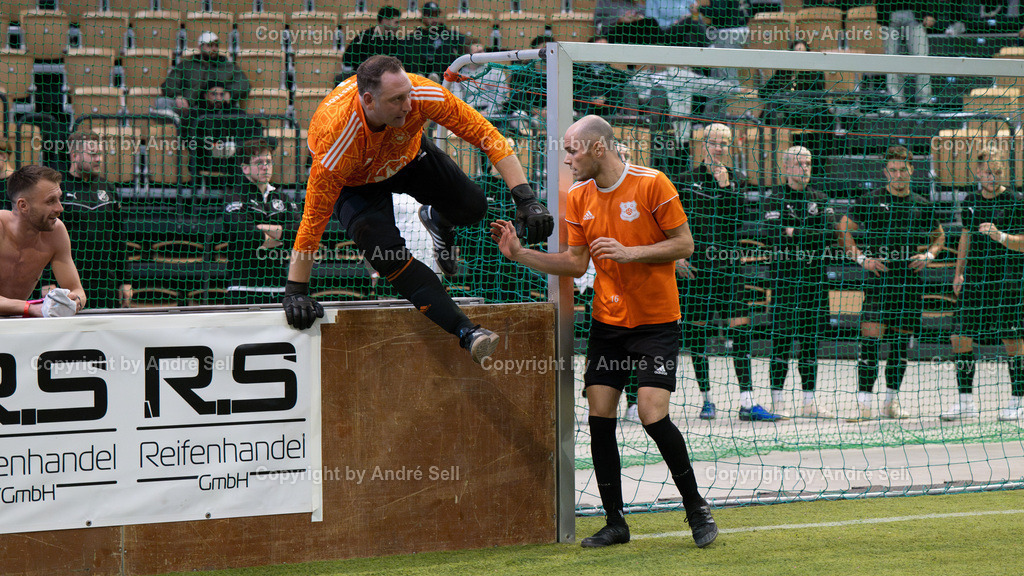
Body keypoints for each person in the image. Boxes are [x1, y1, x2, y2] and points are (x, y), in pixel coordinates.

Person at [489, 114, 717, 549]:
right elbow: (576, 264)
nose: (568, 158)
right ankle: (616, 523)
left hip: (656, 322)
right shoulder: (577, 197)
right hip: (608, 324)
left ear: (598, 148)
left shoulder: (653, 183)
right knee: (599, 420)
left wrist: (632, 253)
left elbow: (684, 244)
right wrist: (521, 254)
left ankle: (696, 508)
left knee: (652, 414)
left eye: (572, 150)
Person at [281, 55, 553, 365]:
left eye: (408, 93)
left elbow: (487, 135)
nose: (409, 105)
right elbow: (312, 221)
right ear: (369, 100)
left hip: (406, 157)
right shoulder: (336, 138)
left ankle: (437, 220)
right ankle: (467, 332)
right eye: (397, 99)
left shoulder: (421, 94)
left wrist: (526, 197)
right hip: (355, 184)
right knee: (388, 257)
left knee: (474, 207)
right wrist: (296, 289)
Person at [678, 123, 782, 422]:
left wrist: (725, 187)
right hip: (695, 268)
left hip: (728, 267)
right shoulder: (685, 180)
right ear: (703, 145)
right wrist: (677, 258)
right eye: (713, 142)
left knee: (740, 328)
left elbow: (736, 221)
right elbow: (670, 220)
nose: (719, 148)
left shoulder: (738, 179)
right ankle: (706, 399)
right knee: (698, 332)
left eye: (724, 143)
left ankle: (747, 402)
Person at [838, 146, 944, 421]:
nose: (898, 175)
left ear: (912, 170)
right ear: (886, 172)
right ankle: (863, 406)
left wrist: (929, 255)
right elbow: (844, 229)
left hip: (909, 284)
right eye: (893, 170)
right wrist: (862, 260)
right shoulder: (870, 200)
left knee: (899, 348)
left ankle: (890, 403)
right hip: (878, 282)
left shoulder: (922, 204)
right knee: (870, 344)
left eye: (903, 170)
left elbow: (940, 236)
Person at [942, 148, 1024, 422]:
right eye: (988, 172)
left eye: (997, 172)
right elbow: (965, 236)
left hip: (1008, 280)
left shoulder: (1016, 201)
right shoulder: (970, 200)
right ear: (978, 172)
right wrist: (958, 272)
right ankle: (965, 401)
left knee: (1013, 342)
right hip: (975, 279)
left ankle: (1018, 400)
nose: (992, 177)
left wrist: (1000, 236)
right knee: (959, 337)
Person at [764, 147, 836, 419]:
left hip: (813, 281)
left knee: (810, 343)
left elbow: (828, 234)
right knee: (781, 343)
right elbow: (773, 235)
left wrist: (794, 231)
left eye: (808, 163)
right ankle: (778, 401)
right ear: (786, 167)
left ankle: (809, 401)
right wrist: (803, 233)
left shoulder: (820, 197)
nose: (805, 168)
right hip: (784, 281)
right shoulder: (774, 198)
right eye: (799, 164)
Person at [0, 165, 86, 317]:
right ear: (23, 205)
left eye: (59, 199)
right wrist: (30, 308)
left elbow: (77, 290)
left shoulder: (56, 232)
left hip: (13, 323)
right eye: (50, 201)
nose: (60, 208)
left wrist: (75, 300)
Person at [60, 131, 131, 309]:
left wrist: (125, 281)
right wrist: (47, 282)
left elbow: (119, 238)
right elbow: (45, 240)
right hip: (68, 282)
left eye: (100, 154)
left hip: (104, 282)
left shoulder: (108, 188)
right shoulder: (58, 189)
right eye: (93, 154)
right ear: (74, 155)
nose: (99, 159)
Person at [223, 139, 301, 300]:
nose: (265, 167)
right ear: (245, 168)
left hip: (279, 288)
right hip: (243, 288)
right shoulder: (235, 197)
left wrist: (259, 227)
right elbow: (244, 234)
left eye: (269, 162)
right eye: (259, 162)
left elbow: (298, 233)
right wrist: (280, 235)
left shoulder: (283, 198)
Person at [184, 80, 266, 182]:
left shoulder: (235, 113)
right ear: (205, 95)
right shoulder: (195, 114)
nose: (218, 98)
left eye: (221, 94)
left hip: (233, 161)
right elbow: (187, 137)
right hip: (206, 159)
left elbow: (257, 128)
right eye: (214, 94)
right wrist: (212, 145)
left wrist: (237, 146)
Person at [159, 32, 250, 117]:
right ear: (200, 47)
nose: (214, 48)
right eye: (210, 45)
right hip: (190, 107)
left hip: (219, 108)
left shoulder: (228, 66)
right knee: (162, 102)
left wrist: (230, 92)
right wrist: (178, 96)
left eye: (216, 45)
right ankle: (174, 128)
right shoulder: (186, 65)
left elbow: (244, 83)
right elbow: (170, 83)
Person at [402, 1, 465, 83]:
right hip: (421, 72)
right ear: (423, 17)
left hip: (443, 77)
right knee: (412, 45)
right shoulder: (416, 36)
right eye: (430, 15)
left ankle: (436, 76)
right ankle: (419, 76)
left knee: (445, 47)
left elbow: (468, 43)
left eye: (436, 15)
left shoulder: (449, 34)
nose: (434, 19)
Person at [449, 41, 509, 118]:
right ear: (467, 56)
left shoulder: (496, 72)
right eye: (478, 52)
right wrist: (469, 111)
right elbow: (457, 98)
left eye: (483, 50)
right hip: (468, 114)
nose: (483, 54)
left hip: (494, 114)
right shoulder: (459, 75)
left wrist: (488, 111)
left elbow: (502, 96)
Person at [341, 6, 405, 78]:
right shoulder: (364, 37)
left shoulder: (393, 41)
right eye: (396, 22)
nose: (398, 26)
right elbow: (347, 58)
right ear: (385, 20)